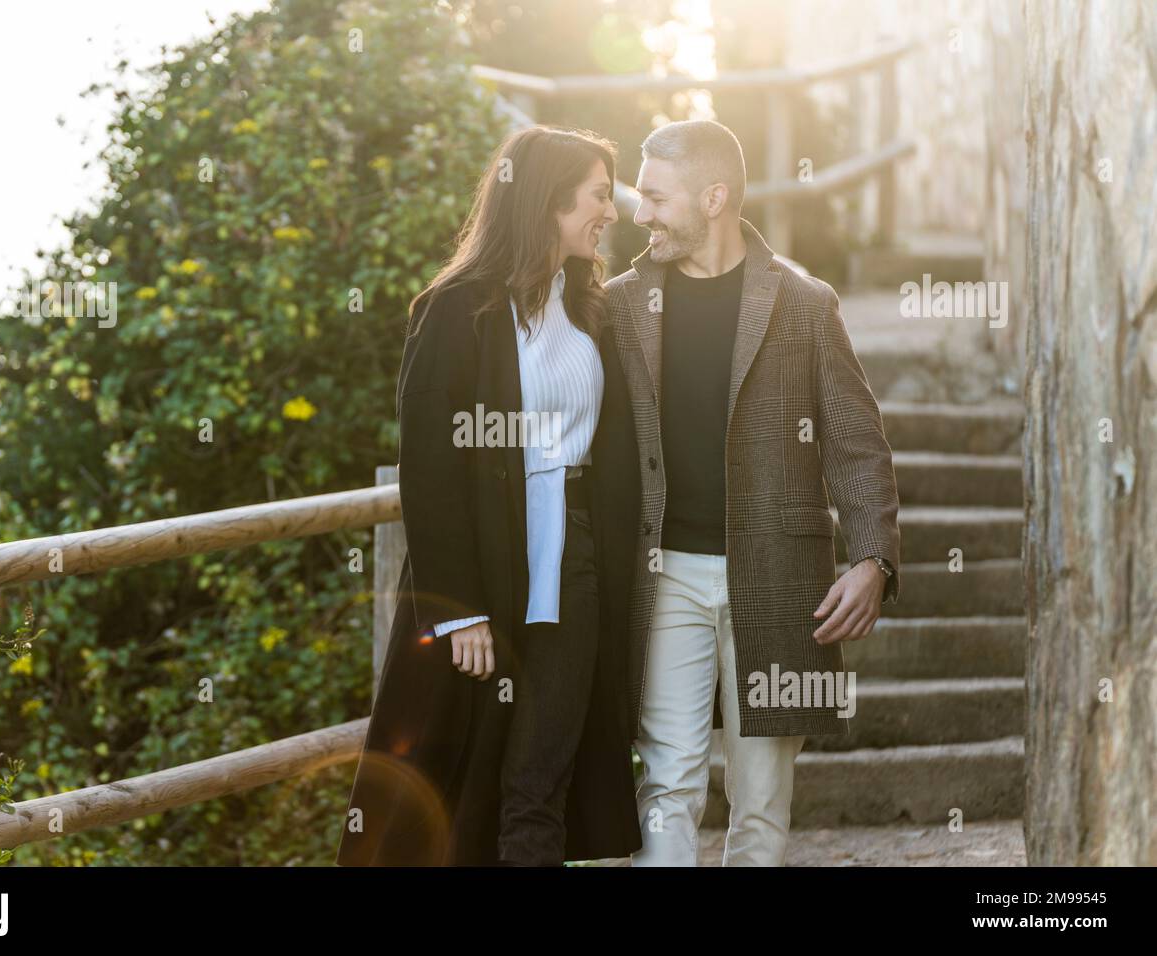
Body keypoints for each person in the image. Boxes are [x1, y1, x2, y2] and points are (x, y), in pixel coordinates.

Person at [337, 126, 642, 866]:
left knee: (541, 777)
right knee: (455, 782)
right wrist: (459, 610)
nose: (611, 211)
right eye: (599, 195)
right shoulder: (456, 309)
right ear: (548, 201)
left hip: (575, 565)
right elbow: (430, 470)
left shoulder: (591, 307)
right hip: (485, 567)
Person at [604, 119, 902, 866]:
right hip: (661, 576)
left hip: (780, 581)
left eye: (655, 196)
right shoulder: (616, 304)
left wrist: (874, 559)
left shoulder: (805, 304)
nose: (640, 214)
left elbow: (857, 445)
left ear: (713, 197)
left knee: (762, 806)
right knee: (667, 786)